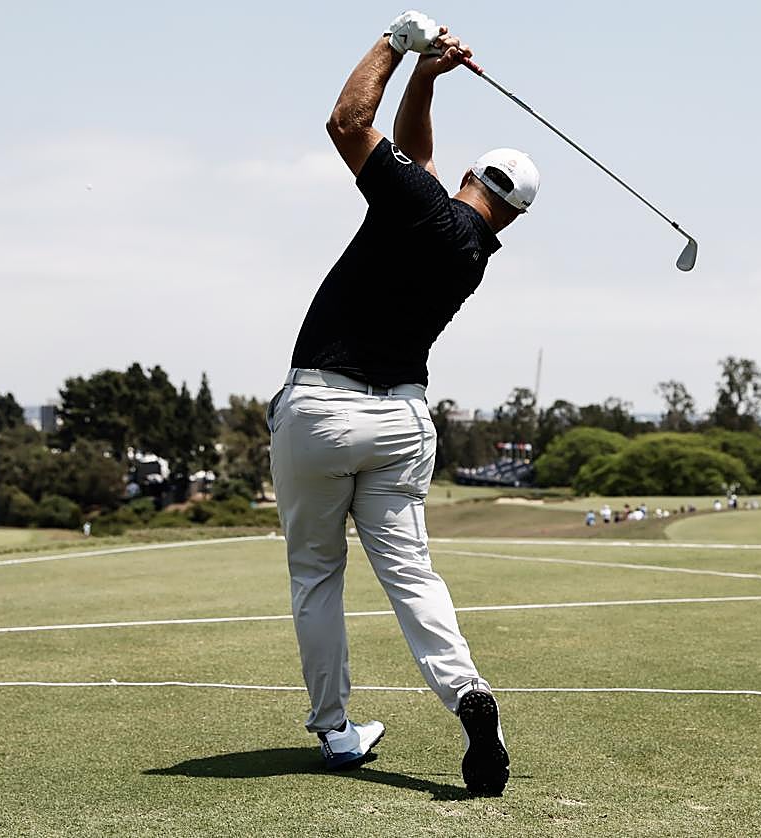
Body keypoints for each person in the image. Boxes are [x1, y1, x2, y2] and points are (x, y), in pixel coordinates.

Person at [267, 11, 535, 796]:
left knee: (317, 575)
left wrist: (398, 41)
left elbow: (348, 121)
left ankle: (336, 731)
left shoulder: (419, 208)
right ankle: (470, 698)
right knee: (412, 575)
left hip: (321, 409)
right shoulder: (470, 246)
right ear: (512, 210)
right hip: (401, 423)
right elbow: (413, 157)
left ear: (470, 177)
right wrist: (427, 78)